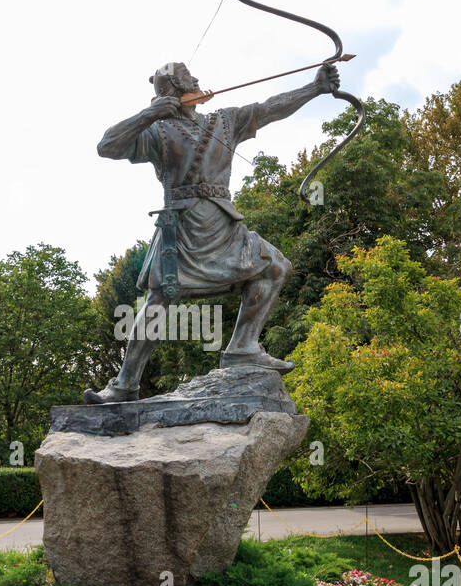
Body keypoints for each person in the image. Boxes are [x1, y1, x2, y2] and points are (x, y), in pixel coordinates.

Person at [83, 58, 339, 403]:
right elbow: (106, 146)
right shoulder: (156, 132)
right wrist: (150, 114)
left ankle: (244, 348)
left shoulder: (224, 120)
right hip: (182, 231)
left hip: (225, 226)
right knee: (159, 301)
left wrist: (315, 87)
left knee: (276, 266)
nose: (198, 80)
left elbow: (269, 109)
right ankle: (123, 386)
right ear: (172, 91)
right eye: (189, 78)